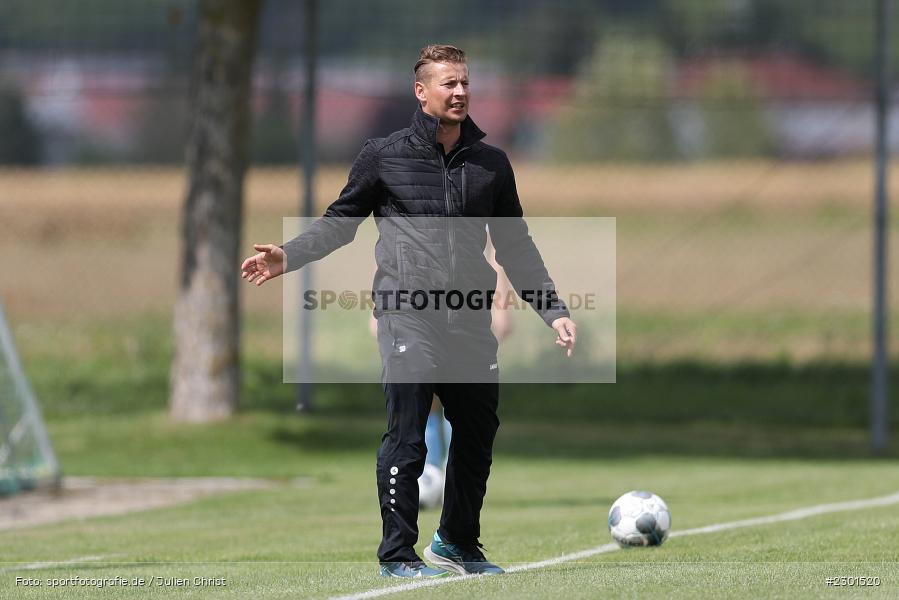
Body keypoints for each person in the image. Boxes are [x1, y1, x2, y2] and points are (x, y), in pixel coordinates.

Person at [240, 44, 576, 579]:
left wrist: (552, 309)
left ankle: (457, 542)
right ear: (421, 92)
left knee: (477, 434)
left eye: (465, 82)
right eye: (448, 83)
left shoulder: (492, 164)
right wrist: (289, 255)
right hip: (407, 314)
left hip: (469, 320)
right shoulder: (383, 155)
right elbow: (340, 221)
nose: (460, 92)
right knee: (408, 433)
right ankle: (397, 553)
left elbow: (516, 246)